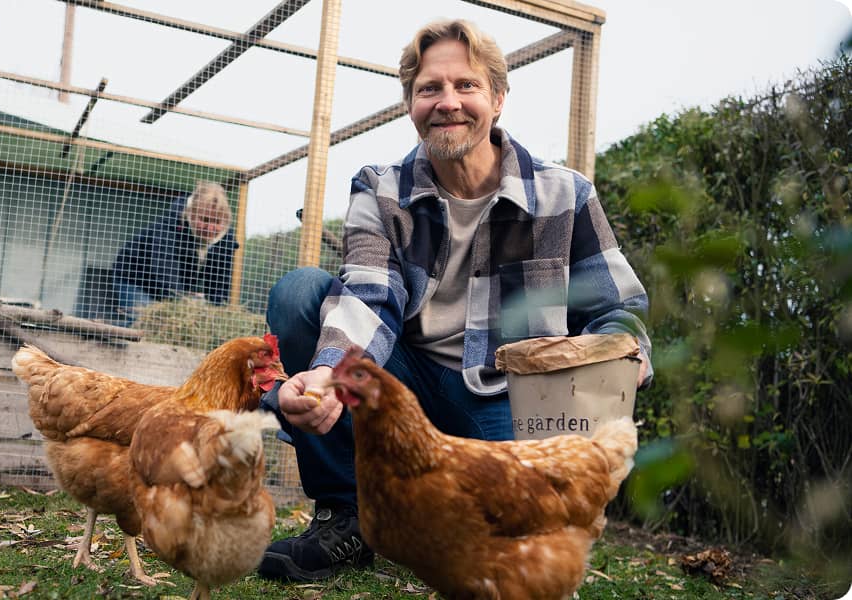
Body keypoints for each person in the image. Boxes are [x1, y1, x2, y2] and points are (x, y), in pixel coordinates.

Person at [255, 18, 653, 582]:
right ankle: (346, 514)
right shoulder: (380, 189)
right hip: (404, 383)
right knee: (301, 293)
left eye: (466, 86)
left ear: (497, 97)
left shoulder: (564, 194)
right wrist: (326, 374)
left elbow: (620, 305)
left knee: (507, 541)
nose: (448, 103)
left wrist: (622, 352)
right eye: (429, 89)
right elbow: (369, 295)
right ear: (409, 104)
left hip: (504, 395)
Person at [108, 180, 237, 327]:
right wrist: (181, 301)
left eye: (216, 221)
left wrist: (215, 311)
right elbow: (165, 267)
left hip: (174, 285)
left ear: (225, 219)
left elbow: (220, 279)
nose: (210, 227)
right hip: (136, 278)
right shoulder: (171, 224)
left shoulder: (226, 238)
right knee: (142, 322)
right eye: (204, 220)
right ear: (191, 213)